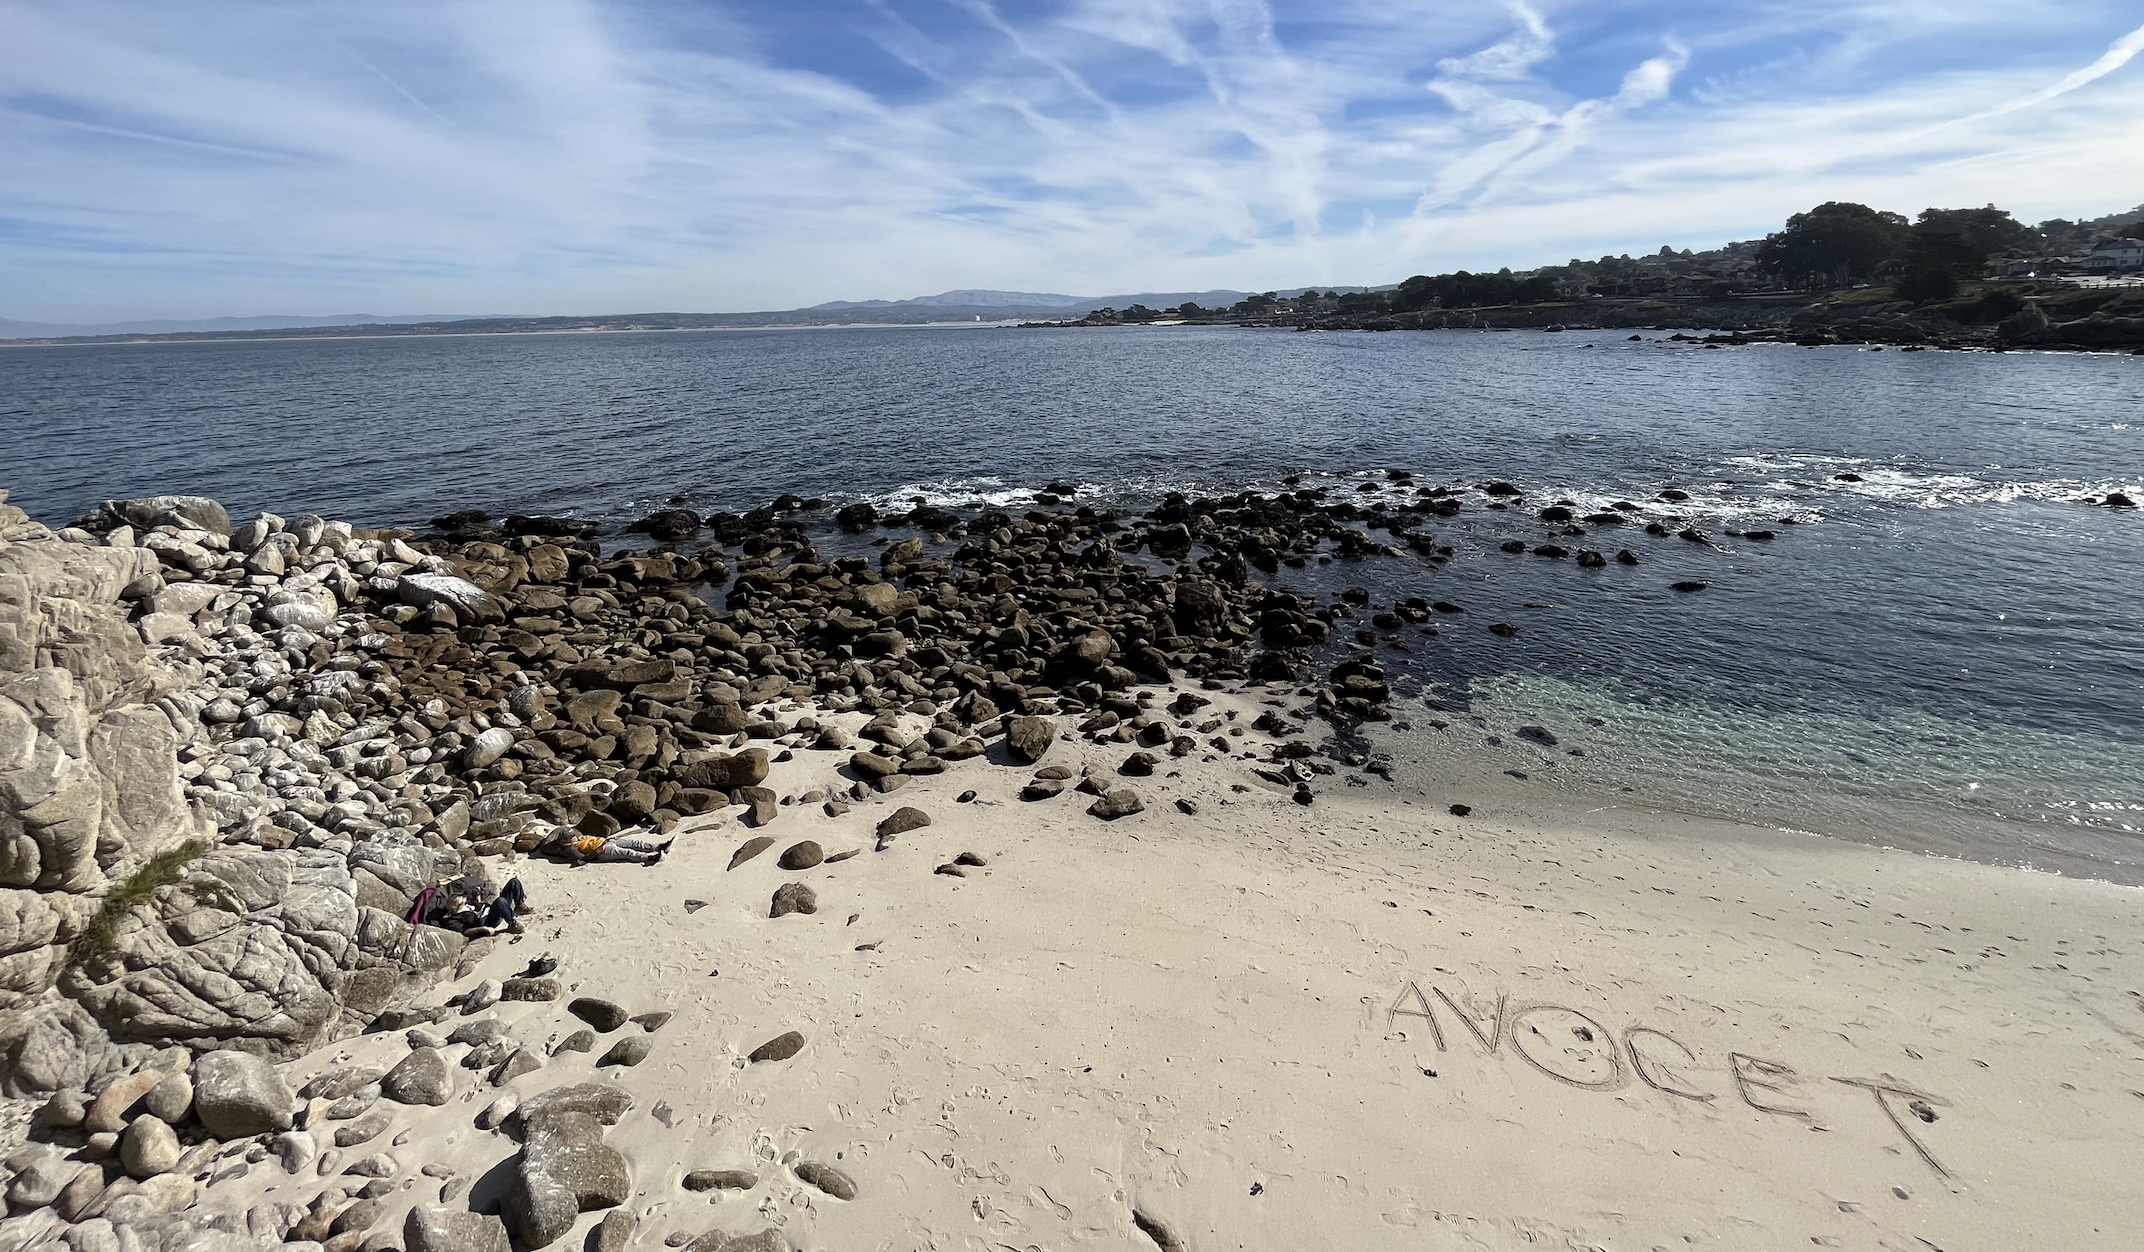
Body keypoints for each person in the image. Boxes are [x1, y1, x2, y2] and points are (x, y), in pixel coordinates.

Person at [561, 832, 673, 866]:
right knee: (629, 853)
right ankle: (653, 857)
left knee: (635, 843)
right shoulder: (571, 849)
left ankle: (660, 846)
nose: (574, 836)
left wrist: (608, 839)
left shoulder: (579, 838)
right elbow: (581, 860)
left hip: (606, 841)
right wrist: (599, 850)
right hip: (602, 852)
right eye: (571, 837)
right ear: (566, 840)